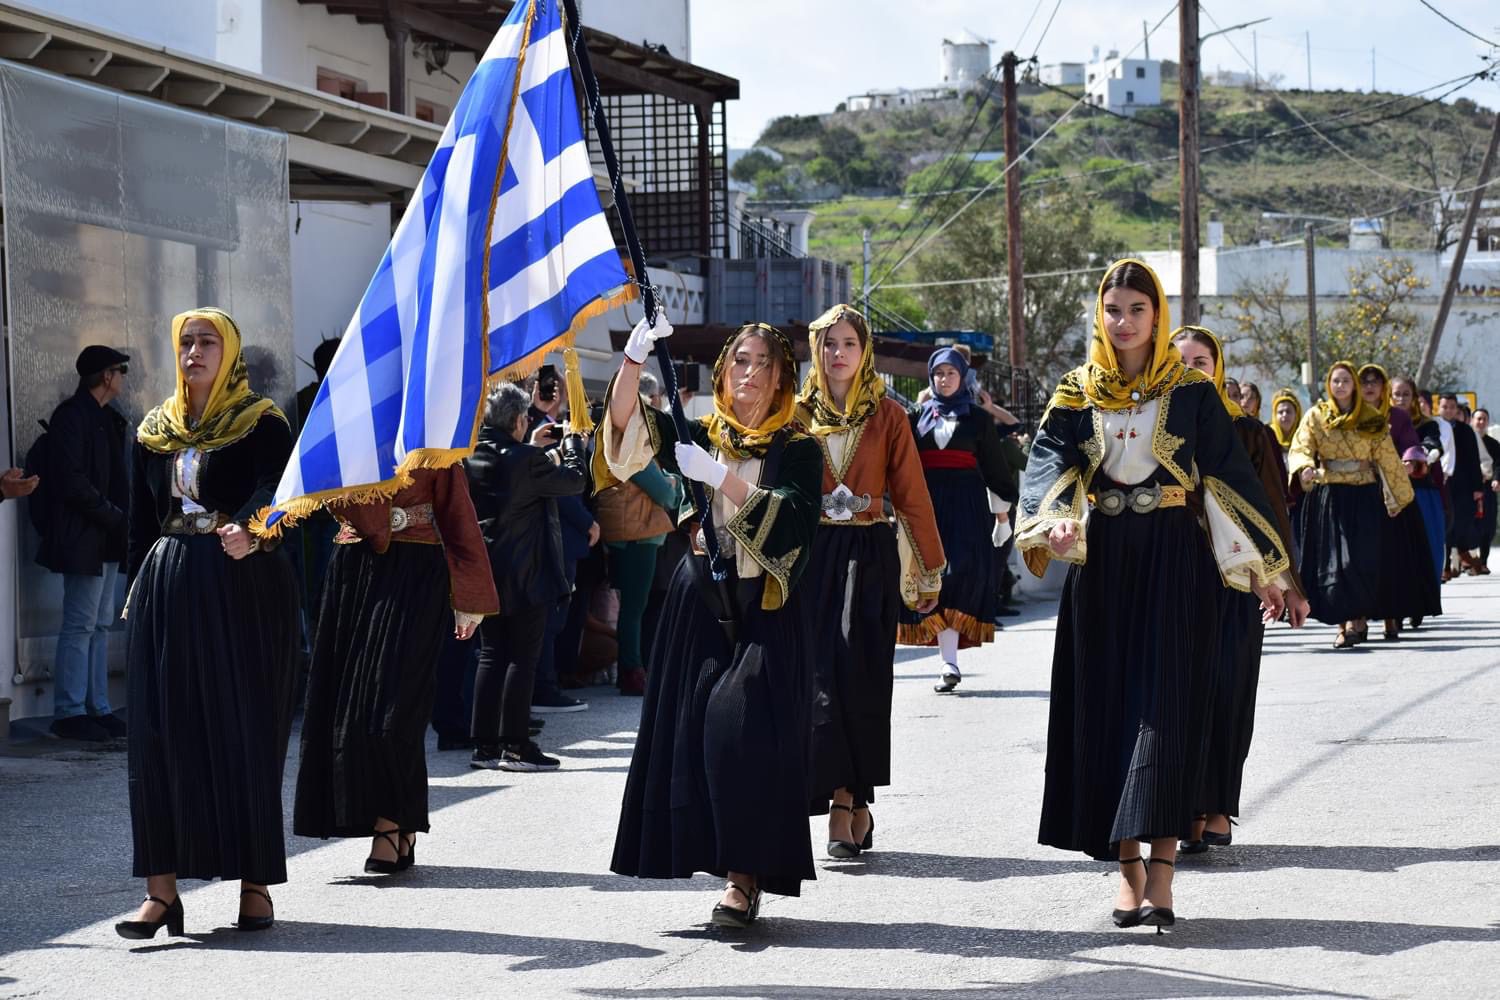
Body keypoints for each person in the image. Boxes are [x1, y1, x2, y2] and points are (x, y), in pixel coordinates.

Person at [1016, 259, 1291, 931]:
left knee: (1166, 711)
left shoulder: (1193, 392)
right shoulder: (1077, 390)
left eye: (1137, 309)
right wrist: (1054, 517)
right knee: (1106, 713)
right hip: (1103, 562)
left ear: (1156, 316)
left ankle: (1162, 875)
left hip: (1175, 558)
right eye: (1113, 309)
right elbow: (1048, 462)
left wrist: (1266, 567)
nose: (1124, 321)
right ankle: (1126, 873)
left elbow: (1228, 481)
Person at [607, 315, 821, 928]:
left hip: (766, 610)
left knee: (741, 730)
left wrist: (718, 478)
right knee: (692, 730)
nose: (747, 373)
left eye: (762, 364)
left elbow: (796, 524)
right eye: (738, 362)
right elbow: (625, 430)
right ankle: (719, 863)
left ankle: (744, 878)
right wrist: (633, 359)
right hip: (702, 600)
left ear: (782, 379)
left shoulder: (798, 447)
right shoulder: (699, 431)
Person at [117, 308, 299, 939]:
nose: (194, 351)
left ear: (231, 353)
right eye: (186, 342)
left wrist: (254, 530)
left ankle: (254, 886)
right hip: (169, 584)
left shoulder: (261, 422)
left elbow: (284, 494)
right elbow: (140, 523)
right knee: (159, 730)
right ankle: (160, 892)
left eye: (207, 342)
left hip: (241, 583)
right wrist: (136, 595)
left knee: (242, 725)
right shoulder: (151, 430)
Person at [293, 464, 498, 874]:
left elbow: (456, 512)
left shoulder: (432, 432)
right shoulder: (353, 421)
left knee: (396, 703)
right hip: (355, 568)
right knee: (348, 708)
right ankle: (396, 821)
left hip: (417, 570)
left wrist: (470, 594)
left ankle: (390, 824)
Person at [795, 304, 945, 858]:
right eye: (829, 343)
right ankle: (841, 799)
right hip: (813, 557)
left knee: (861, 674)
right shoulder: (794, 416)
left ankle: (853, 798)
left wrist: (928, 566)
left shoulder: (889, 417)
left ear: (865, 352)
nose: (839, 354)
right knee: (820, 677)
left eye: (849, 344)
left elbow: (912, 494)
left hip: (869, 554)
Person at [1172, 328, 1308, 855]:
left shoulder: (1250, 434)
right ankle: (1180, 808)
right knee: (1179, 693)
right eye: (1179, 362)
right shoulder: (1153, 428)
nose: (1191, 371)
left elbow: (1273, 510)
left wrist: (1287, 583)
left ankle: (1217, 805)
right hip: (1173, 574)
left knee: (1228, 688)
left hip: (1239, 580)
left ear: (1218, 366)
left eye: (1201, 361)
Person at [464, 382, 587, 771]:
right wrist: (571, 447)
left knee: (491, 654)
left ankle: (485, 746)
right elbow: (574, 481)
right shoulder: (525, 461)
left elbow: (514, 472)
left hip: (487, 569)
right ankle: (516, 745)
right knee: (522, 657)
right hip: (526, 570)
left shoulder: (474, 457)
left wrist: (531, 447)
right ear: (520, 420)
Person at [897, 347, 1015, 692]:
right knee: (933, 577)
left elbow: (995, 468)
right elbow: (901, 462)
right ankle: (948, 662)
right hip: (926, 505)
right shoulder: (916, 415)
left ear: (963, 377)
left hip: (968, 505)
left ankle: (950, 658)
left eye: (950, 373)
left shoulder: (978, 419)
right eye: (937, 374)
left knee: (961, 572)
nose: (943, 379)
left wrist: (1002, 516)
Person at [38, 346, 132, 742]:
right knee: (80, 625)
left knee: (98, 625)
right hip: (85, 536)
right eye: (121, 371)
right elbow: (71, 479)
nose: (124, 378)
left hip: (105, 537)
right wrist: (111, 514)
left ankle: (98, 707)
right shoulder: (73, 417)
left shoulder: (108, 419)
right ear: (107, 376)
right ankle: (70, 711)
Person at [1288, 363, 1413, 648]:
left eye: (1346, 380)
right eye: (1336, 380)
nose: (1341, 385)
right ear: (1329, 384)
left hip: (1365, 496)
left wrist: (1399, 496)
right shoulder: (1317, 416)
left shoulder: (1370, 418)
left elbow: (1387, 457)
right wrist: (1304, 467)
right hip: (1331, 496)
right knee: (1336, 563)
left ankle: (1359, 618)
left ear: (1354, 385)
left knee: (1361, 559)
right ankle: (1344, 626)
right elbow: (1300, 446)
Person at [591, 368, 682, 697]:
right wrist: (672, 484)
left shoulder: (614, 441)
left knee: (633, 607)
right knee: (634, 609)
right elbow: (667, 494)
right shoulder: (634, 450)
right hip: (639, 535)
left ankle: (631, 670)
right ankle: (632, 672)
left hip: (627, 533)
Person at [1359, 365, 1441, 638]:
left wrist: (1411, 458)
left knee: (1391, 557)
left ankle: (1390, 617)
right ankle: (1355, 618)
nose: (1369, 386)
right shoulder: (1348, 416)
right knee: (1359, 557)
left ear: (1383, 387)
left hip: (1391, 495)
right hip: (1356, 494)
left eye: (1375, 381)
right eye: (1364, 381)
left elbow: (1411, 444)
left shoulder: (1397, 416)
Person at [1392, 376, 1448, 611]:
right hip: (1391, 492)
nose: (1402, 399)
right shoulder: (1380, 423)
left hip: (1422, 492)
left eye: (1407, 394)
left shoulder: (1427, 424)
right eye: (1397, 394)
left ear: (1414, 398)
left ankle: (1421, 602)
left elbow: (1433, 445)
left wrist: (1418, 456)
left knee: (1427, 549)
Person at [1438, 393, 1486, 577]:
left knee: (1462, 521)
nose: (1448, 410)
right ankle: (1446, 566)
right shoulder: (1434, 427)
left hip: (1464, 485)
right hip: (1441, 482)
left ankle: (1462, 552)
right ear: (1439, 408)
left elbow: (1474, 460)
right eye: (1445, 407)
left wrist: (1477, 489)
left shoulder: (1466, 431)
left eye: (1452, 407)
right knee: (1445, 522)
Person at [1473, 408, 1500, 570]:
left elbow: (1498, 464)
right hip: (1470, 489)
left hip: (1488, 489)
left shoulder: (1493, 444)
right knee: (1471, 524)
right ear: (1472, 421)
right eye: (1478, 419)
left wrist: (1496, 479)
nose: (1481, 422)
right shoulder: (1467, 442)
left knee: (1488, 526)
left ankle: (1483, 561)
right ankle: (1469, 559)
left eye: (1484, 419)